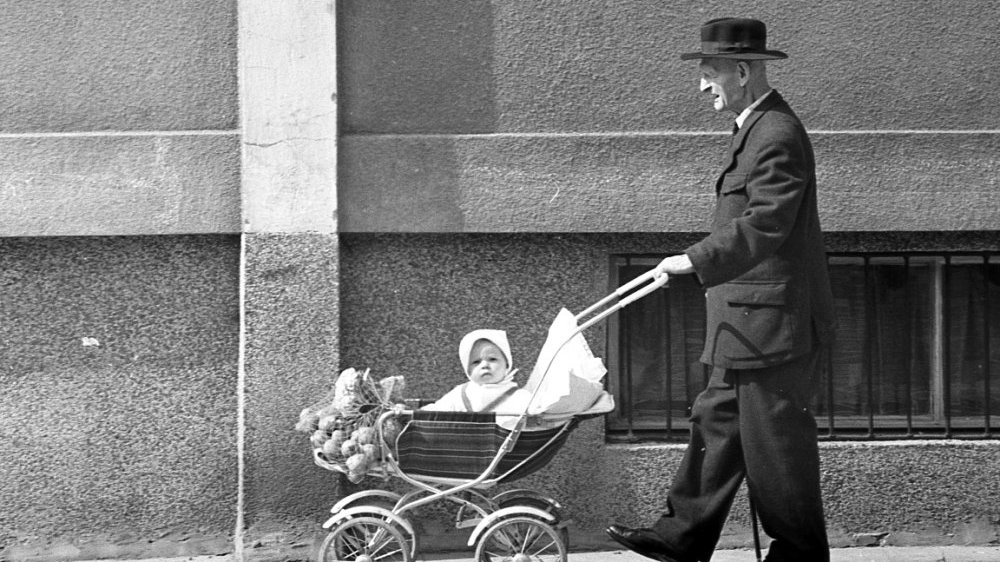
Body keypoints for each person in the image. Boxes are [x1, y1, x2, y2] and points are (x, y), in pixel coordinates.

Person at [606, 17, 836, 562]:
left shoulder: (776, 133)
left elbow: (766, 223)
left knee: (777, 453)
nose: (702, 85)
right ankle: (681, 535)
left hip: (771, 325)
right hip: (746, 321)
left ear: (741, 70)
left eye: (709, 73)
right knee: (716, 423)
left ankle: (801, 555)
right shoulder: (755, 129)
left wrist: (694, 258)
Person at [422, 329, 531, 413]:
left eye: (492, 359)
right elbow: (435, 411)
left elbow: (538, 413)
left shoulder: (520, 397)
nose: (484, 365)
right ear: (467, 369)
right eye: (476, 362)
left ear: (507, 363)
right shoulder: (460, 393)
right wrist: (407, 412)